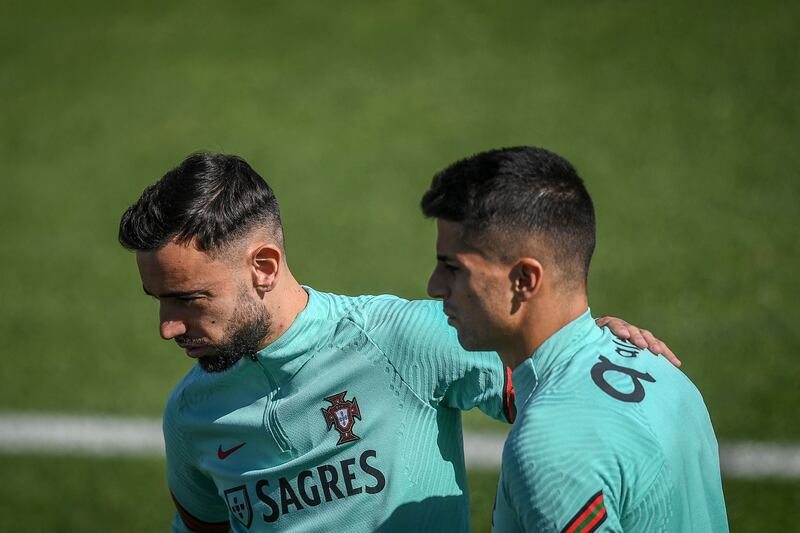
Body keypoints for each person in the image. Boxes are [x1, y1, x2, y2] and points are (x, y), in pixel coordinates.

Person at [119, 152, 677, 532]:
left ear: (264, 266)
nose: (166, 327)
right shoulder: (190, 416)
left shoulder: (400, 341)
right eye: (156, 300)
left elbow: (560, 387)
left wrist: (597, 345)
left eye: (187, 299)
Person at [422, 146, 728, 532]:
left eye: (453, 268)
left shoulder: (550, 448)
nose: (435, 287)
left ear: (524, 280)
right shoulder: (655, 364)